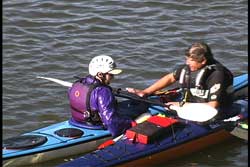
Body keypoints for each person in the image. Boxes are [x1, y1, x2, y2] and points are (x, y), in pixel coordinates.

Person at [127, 42, 234, 119]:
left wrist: (180, 105)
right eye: (187, 59)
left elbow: (212, 106)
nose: (187, 63)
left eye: (191, 60)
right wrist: (146, 92)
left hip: (211, 112)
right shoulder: (189, 68)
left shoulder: (216, 75)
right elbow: (170, 78)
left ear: (203, 61)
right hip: (190, 104)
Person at [68, 55, 136, 137]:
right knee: (137, 110)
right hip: (94, 127)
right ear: (100, 74)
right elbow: (111, 122)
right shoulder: (103, 92)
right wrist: (131, 123)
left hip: (75, 121)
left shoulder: (76, 84)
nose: (113, 77)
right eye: (111, 75)